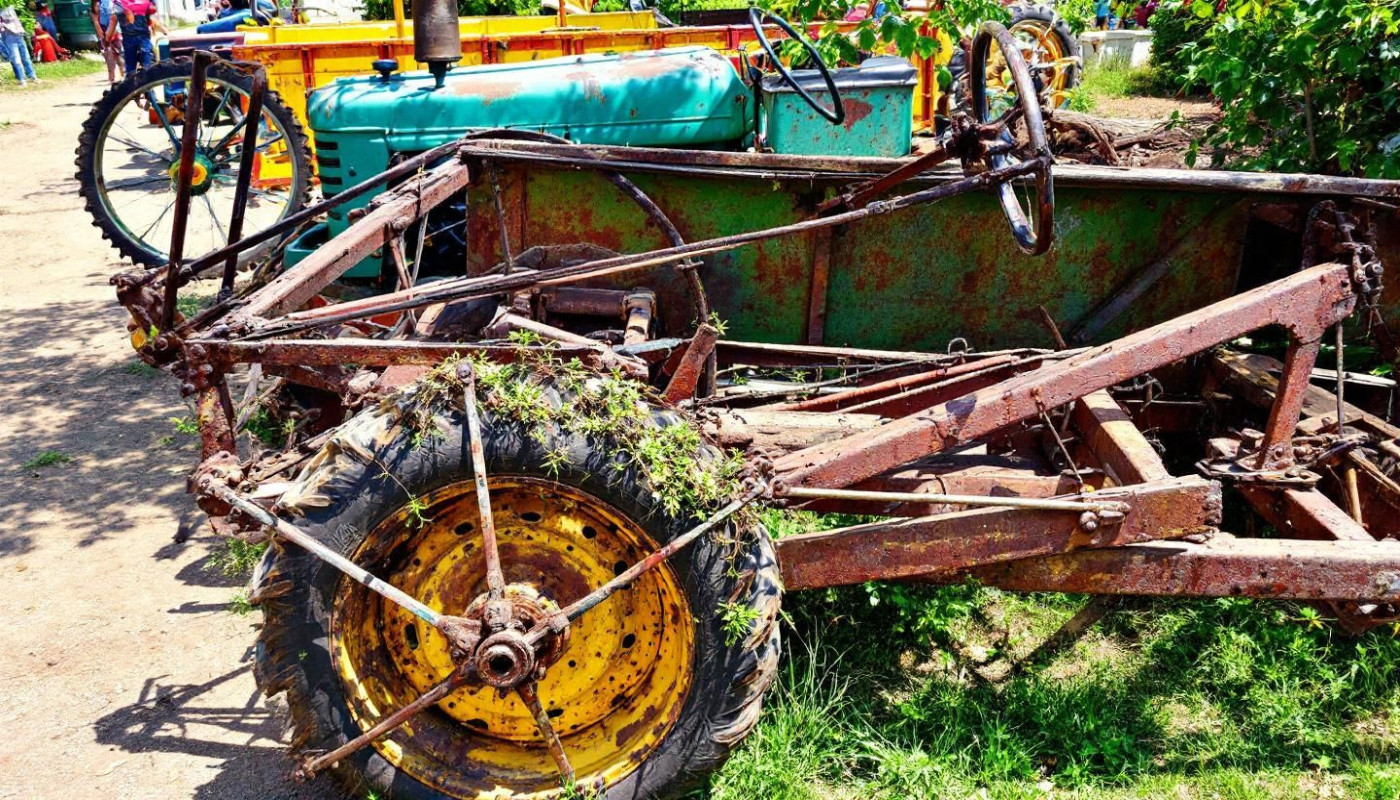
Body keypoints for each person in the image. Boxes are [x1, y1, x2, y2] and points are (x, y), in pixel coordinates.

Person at [107, 0, 166, 76]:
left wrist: (107, 38)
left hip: (134, 38)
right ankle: (144, 78)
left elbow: (113, 20)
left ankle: (135, 79)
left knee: (133, 65)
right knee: (145, 62)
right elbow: (113, 20)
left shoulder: (119, 4)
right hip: (138, 38)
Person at [0, 5, 38, 87]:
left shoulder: (11, 6)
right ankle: (22, 79)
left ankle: (32, 76)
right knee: (16, 59)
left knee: (26, 57)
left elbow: (17, 17)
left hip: (19, 34)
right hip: (8, 36)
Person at [90, 0, 123, 85]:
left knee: (118, 55)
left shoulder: (115, 2)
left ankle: (123, 76)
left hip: (116, 31)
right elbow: (95, 17)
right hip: (103, 30)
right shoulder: (98, 2)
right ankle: (112, 77)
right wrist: (99, 31)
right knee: (108, 54)